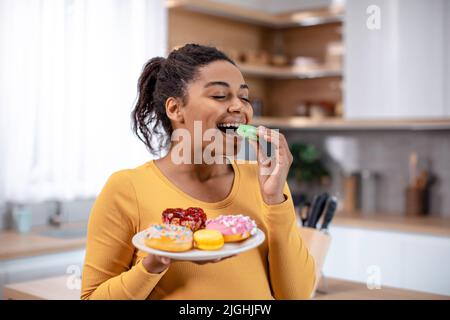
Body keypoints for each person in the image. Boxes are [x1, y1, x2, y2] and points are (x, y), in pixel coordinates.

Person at [80, 44, 315, 300]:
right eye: (219, 95)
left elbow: (296, 296)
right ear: (175, 109)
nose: (240, 107)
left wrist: (274, 201)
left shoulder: (265, 182)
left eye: (244, 97)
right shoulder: (127, 188)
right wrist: (152, 265)